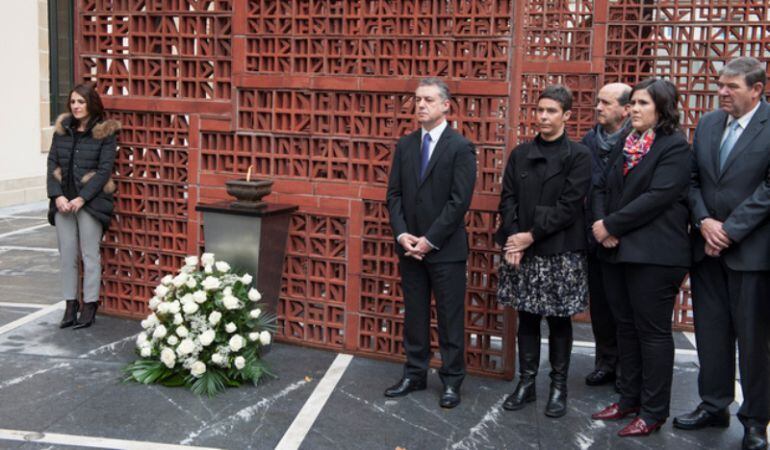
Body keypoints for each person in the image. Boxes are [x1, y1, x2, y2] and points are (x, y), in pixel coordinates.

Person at [674, 57, 770, 450]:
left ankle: (755, 420)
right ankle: (714, 404)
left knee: (753, 341)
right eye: (720, 84)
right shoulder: (710, 123)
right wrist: (705, 223)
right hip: (707, 248)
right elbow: (692, 180)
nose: (722, 92)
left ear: (757, 90)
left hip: (752, 254)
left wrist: (729, 230)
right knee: (711, 333)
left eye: (731, 86)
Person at [591, 78, 691, 437]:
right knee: (626, 329)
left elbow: (658, 196)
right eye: (632, 103)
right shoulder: (627, 143)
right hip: (617, 251)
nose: (634, 109)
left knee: (652, 334)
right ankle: (627, 398)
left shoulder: (674, 148)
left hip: (655, 255)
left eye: (643, 103)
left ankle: (652, 411)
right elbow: (601, 184)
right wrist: (602, 223)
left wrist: (612, 224)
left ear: (662, 109)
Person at [495, 84, 591, 418]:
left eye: (551, 111)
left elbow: (569, 207)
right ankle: (526, 384)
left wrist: (530, 236)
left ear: (566, 115)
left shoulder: (579, 156)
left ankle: (558, 387)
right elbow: (507, 198)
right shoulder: (521, 153)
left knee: (560, 320)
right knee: (527, 317)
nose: (544, 116)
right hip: (521, 250)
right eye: (540, 110)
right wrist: (513, 238)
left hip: (559, 251)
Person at [384, 78, 477, 408]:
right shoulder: (406, 145)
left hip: (445, 250)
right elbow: (393, 195)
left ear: (445, 106)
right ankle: (415, 373)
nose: (420, 105)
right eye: (417, 99)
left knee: (450, 317)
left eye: (427, 100)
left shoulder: (460, 147)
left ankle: (452, 380)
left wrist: (430, 240)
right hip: (409, 248)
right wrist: (402, 234)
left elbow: (459, 201)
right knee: (415, 315)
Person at [47, 82, 119, 329]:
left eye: (81, 101)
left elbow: (103, 171)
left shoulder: (105, 133)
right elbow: (52, 164)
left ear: (91, 103)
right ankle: (70, 305)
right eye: (73, 102)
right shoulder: (62, 131)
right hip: (63, 203)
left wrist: (82, 198)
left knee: (90, 255)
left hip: (90, 203)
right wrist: (57, 196)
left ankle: (89, 305)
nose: (76, 106)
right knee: (67, 256)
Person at [581, 82, 632, 388]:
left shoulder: (638, 141)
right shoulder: (589, 139)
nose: (598, 107)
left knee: (624, 308)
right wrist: (597, 227)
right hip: (594, 236)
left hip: (624, 237)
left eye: (606, 103)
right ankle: (606, 361)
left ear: (626, 109)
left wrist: (614, 227)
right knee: (600, 306)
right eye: (598, 101)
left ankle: (627, 368)